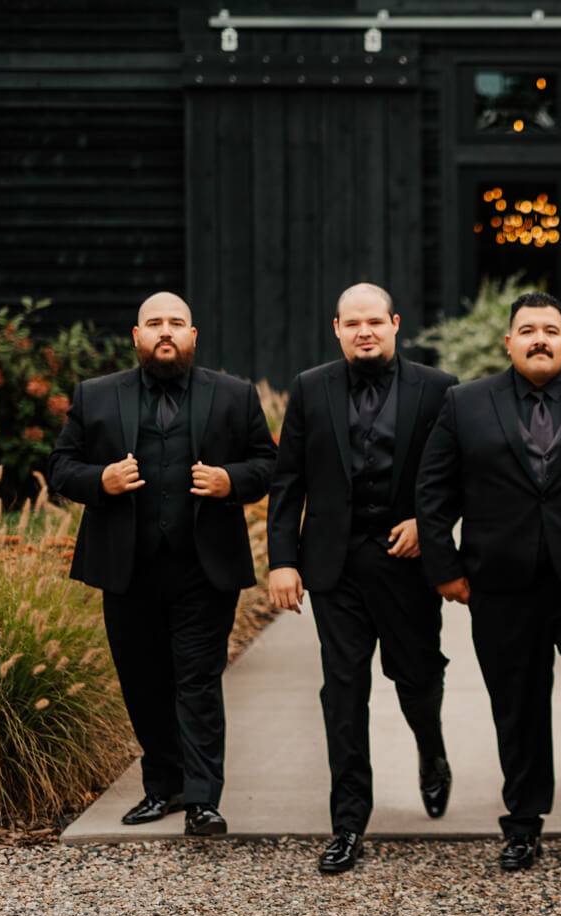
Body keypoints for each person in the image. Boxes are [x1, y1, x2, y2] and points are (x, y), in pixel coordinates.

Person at [414, 292, 561, 871]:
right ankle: (524, 821)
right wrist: (446, 571)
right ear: (508, 341)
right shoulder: (464, 403)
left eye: (551, 329)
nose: (540, 338)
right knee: (517, 706)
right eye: (528, 329)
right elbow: (433, 493)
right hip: (500, 585)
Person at [48, 291, 277, 836]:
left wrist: (230, 482)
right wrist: (99, 481)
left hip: (205, 568)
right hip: (127, 568)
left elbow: (267, 463)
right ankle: (163, 787)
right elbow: (61, 466)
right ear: (137, 336)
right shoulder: (96, 395)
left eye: (177, 323)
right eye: (155, 323)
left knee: (197, 681)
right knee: (144, 681)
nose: (166, 331)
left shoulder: (233, 396)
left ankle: (202, 798)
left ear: (193, 336)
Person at [266, 282, 457, 874]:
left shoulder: (438, 389)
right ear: (338, 328)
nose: (365, 331)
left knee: (417, 677)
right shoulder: (308, 387)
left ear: (395, 323)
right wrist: (281, 560)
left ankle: (432, 753)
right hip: (335, 567)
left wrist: (429, 526)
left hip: (406, 566)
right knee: (343, 693)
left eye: (375, 321)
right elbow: (287, 479)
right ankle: (348, 823)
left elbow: (459, 474)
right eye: (354, 323)